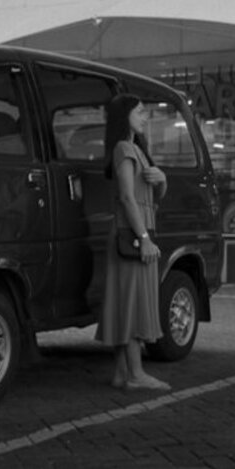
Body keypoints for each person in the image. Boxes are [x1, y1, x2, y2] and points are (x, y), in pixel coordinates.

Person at [95, 93, 171, 391]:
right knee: (134, 303)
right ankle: (136, 375)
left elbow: (151, 197)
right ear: (124, 115)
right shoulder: (125, 148)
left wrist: (162, 178)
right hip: (134, 235)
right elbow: (127, 197)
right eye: (140, 111)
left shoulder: (134, 149)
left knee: (126, 302)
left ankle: (122, 372)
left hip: (134, 233)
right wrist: (143, 238)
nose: (144, 117)